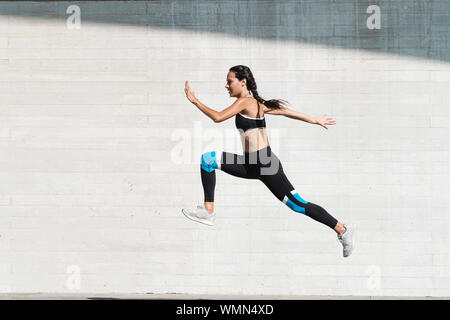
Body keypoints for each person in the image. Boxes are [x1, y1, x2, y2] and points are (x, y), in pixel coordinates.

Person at [181, 65, 355, 257]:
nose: (226, 85)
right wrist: (312, 119)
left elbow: (218, 117)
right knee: (207, 160)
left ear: (243, 82)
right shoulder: (257, 104)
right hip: (249, 164)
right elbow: (284, 111)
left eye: (229, 81)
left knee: (297, 204)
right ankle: (208, 211)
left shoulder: (246, 101)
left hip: (265, 164)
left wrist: (195, 101)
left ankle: (343, 230)